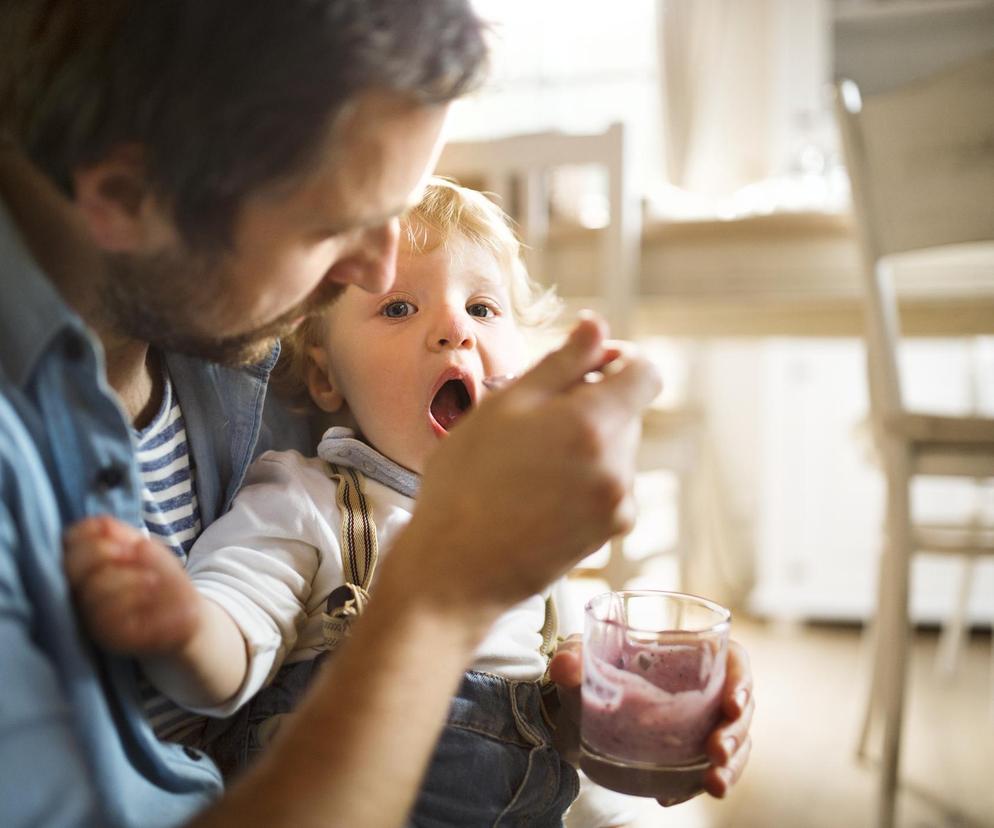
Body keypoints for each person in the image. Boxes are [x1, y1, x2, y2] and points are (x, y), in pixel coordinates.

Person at [0, 2, 753, 826]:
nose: (375, 268)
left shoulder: (236, 330)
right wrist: (439, 592)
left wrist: (621, 715)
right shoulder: (303, 472)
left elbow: (553, 692)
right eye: (336, 226)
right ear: (125, 197)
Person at [67, 177, 637, 826]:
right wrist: (182, 628)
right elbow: (232, 639)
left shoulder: (532, 524)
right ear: (324, 376)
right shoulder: (306, 497)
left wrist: (613, 708)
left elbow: (561, 709)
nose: (455, 329)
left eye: (482, 308)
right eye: (398, 309)